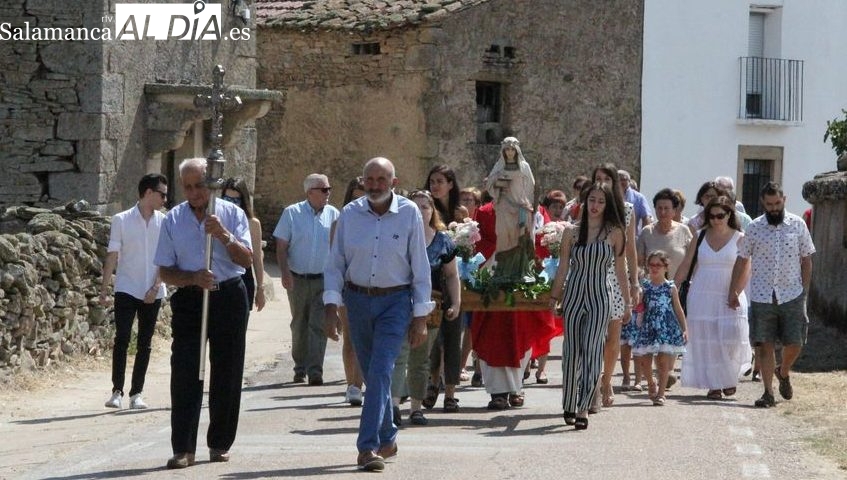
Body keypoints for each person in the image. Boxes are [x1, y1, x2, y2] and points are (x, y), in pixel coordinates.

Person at [323, 157, 433, 472]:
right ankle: (388, 435)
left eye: (381, 180)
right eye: (369, 179)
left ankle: (367, 447)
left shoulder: (409, 213)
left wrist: (421, 315)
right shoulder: (350, 214)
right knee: (373, 376)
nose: (374, 186)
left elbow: (420, 266)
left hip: (395, 302)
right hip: (356, 301)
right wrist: (331, 307)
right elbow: (335, 264)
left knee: (382, 370)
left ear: (393, 183)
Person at [155, 157, 253, 469]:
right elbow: (165, 271)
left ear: (211, 184)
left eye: (200, 185)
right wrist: (192, 278)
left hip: (227, 296)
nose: (195, 193)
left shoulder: (232, 213)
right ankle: (183, 447)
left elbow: (247, 259)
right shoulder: (172, 220)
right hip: (191, 299)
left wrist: (224, 235)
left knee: (227, 369)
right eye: (188, 187)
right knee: (185, 371)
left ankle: (220, 442)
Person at [549, 182, 631, 430]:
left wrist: (627, 303)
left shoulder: (615, 232)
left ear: (607, 205)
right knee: (572, 350)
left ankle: (584, 405)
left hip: (600, 295)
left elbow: (620, 270)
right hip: (574, 293)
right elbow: (563, 267)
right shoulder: (571, 232)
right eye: (592, 200)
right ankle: (569, 403)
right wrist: (554, 297)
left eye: (601, 201)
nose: (595, 206)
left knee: (593, 349)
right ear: (584, 203)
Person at [728, 182, 815, 408]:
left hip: (792, 293)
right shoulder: (755, 228)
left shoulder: (798, 224)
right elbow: (742, 258)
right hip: (762, 295)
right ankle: (768, 393)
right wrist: (733, 289)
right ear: (763, 204)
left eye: (777, 203)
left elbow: (806, 259)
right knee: (764, 345)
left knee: (796, 342)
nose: (774, 208)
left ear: (784, 200)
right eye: (769, 205)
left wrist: (804, 291)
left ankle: (783, 371)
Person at [100, 173, 168, 410]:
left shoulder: (164, 221)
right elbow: (112, 254)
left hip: (153, 289)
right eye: (162, 194)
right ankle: (117, 390)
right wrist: (104, 289)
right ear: (148, 193)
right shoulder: (121, 219)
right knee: (122, 339)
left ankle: (136, 392)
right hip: (127, 287)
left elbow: (165, 258)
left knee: (145, 343)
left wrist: (156, 287)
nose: (165, 199)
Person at [393, 189, 461, 425]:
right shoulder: (397, 235)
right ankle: (392, 405)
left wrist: (457, 302)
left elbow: (452, 275)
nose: (421, 210)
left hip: (431, 304)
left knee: (420, 359)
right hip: (399, 302)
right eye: (416, 206)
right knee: (399, 355)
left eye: (426, 206)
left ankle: (415, 407)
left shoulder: (443, 240)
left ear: (432, 210)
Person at [676, 196, 751, 400]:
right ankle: (715, 384)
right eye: (712, 216)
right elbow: (686, 263)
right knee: (708, 339)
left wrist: (736, 291)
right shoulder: (699, 236)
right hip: (702, 292)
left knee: (731, 336)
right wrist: (673, 286)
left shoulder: (740, 238)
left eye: (721, 215)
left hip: (730, 292)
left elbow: (745, 269)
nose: (716, 220)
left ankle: (729, 376)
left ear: (729, 215)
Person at [274, 174, 340, 386]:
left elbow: (339, 250)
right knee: (299, 323)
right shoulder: (291, 213)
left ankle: (315, 371)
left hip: (323, 279)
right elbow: (281, 247)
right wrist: (284, 273)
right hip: (297, 278)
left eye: (329, 189)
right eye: (324, 189)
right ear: (309, 192)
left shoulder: (334, 215)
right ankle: (299, 367)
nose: (328, 193)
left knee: (318, 324)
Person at [592, 165, 638, 407]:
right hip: (592, 275)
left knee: (613, 335)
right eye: (598, 179)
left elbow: (630, 250)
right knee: (594, 336)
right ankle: (592, 379)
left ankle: (607, 380)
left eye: (606, 179)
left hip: (616, 276)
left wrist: (635, 284)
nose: (602, 183)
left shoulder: (627, 211)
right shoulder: (588, 209)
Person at [326, 176, 367, 406]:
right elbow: (335, 260)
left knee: (365, 337)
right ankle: (352, 384)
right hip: (347, 286)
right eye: (355, 197)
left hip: (369, 287)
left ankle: (361, 382)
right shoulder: (340, 223)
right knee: (350, 338)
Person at [631, 250, 688, 406]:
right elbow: (637, 305)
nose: (655, 268)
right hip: (648, 327)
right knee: (644, 361)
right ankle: (650, 383)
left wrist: (684, 328)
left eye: (658, 265)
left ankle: (661, 393)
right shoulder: (645, 287)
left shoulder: (670, 287)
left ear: (665, 268)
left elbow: (678, 309)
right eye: (652, 265)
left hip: (665, 328)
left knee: (663, 361)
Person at [484, 137, 536, 283]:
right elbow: (489, 184)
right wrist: (498, 184)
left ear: (517, 150)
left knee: (520, 237)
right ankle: (502, 270)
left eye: (512, 149)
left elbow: (531, 186)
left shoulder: (524, 166)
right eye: (507, 149)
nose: (510, 152)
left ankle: (520, 271)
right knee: (503, 236)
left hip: (521, 206)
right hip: (504, 206)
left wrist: (527, 203)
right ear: (503, 151)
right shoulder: (499, 167)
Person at [221, 177, 266, 313]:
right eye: (227, 199)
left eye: (236, 200)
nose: (232, 205)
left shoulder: (252, 224)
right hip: (220, 278)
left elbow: (257, 258)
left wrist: (260, 289)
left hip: (243, 279)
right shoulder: (214, 219)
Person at [637, 188, 693, 279]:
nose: (662, 212)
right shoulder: (647, 232)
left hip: (679, 288)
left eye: (666, 208)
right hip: (653, 288)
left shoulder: (684, 231)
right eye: (659, 208)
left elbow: (693, 261)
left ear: (674, 210)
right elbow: (639, 264)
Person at [618, 169, 653, 234]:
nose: (620, 182)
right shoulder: (608, 195)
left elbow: (647, 218)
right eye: (617, 179)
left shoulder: (639, 197)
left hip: (632, 237)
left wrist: (644, 237)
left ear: (629, 181)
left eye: (623, 179)